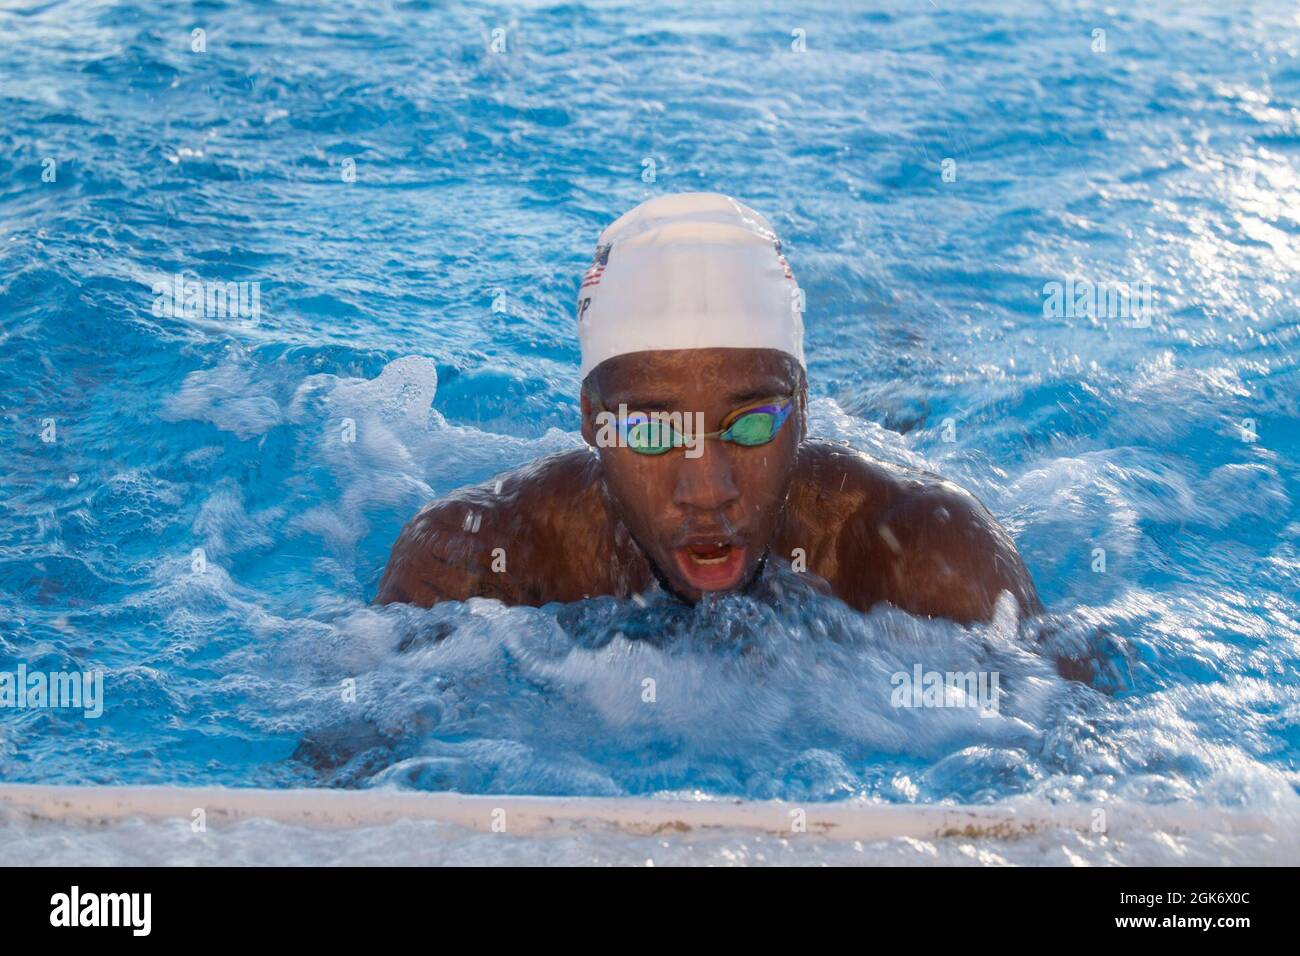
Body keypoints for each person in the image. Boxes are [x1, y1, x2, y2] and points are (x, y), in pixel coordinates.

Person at [377, 192, 1041, 624]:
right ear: (591, 421)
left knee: (897, 410)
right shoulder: (481, 555)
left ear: (803, 409)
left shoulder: (924, 550)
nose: (708, 491)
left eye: (751, 425)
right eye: (653, 430)